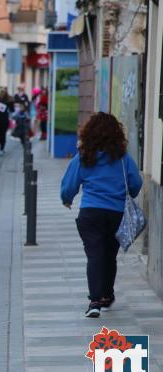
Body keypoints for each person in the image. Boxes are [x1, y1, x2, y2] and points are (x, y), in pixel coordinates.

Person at [60, 112, 142, 318]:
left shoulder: (84, 156)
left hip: (90, 213)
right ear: (116, 133)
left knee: (94, 255)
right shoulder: (123, 158)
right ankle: (107, 295)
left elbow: (70, 183)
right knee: (109, 255)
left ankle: (95, 301)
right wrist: (128, 193)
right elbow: (136, 183)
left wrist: (67, 198)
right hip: (116, 213)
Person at [0, 88, 13, 155]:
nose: (2, 94)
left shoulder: (8, 101)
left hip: (4, 120)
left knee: (3, 135)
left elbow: (12, 109)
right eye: (1, 93)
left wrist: (11, 102)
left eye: (4, 93)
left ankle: (2, 149)